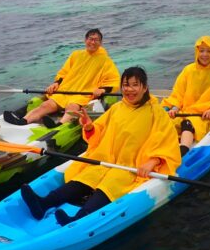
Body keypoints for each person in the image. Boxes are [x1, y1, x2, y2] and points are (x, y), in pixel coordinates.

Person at [20, 66, 181, 226]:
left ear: (144, 87)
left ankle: (80, 218)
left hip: (131, 167)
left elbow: (167, 141)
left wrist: (152, 162)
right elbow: (99, 133)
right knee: (87, 175)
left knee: (112, 183)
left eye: (134, 85)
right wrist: (90, 127)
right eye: (126, 85)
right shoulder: (117, 108)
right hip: (107, 161)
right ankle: (44, 203)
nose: (129, 89)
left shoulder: (156, 112)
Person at [3, 28, 120, 127]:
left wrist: (103, 90)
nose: (93, 42)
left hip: (83, 94)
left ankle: (59, 125)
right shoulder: (76, 55)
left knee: (72, 108)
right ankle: (23, 121)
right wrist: (56, 83)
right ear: (85, 40)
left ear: (101, 43)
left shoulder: (105, 60)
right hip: (66, 90)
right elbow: (64, 72)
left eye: (96, 40)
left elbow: (113, 79)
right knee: (46, 105)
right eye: (90, 39)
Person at [162, 36, 210, 156]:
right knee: (166, 121)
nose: (205, 55)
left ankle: (182, 152)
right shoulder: (188, 70)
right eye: (201, 51)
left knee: (188, 123)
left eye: (209, 51)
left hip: (204, 115)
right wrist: (174, 108)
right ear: (197, 52)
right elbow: (178, 94)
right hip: (185, 111)